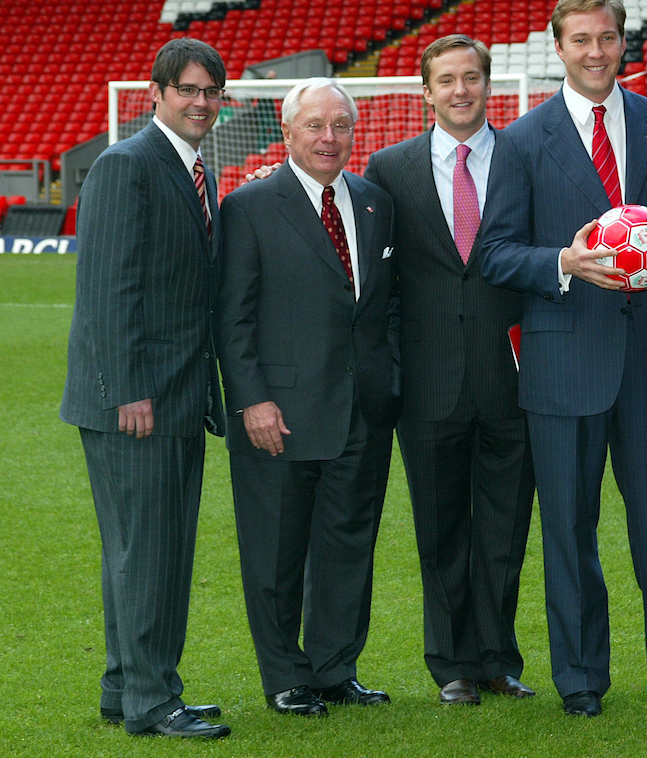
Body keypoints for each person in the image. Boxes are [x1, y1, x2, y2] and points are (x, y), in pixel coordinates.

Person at [479, 0, 647, 717]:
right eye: (580, 40)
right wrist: (564, 263)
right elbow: (495, 252)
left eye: (606, 38)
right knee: (568, 533)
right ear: (559, 47)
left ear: (624, 42)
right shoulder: (522, 139)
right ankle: (581, 677)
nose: (594, 51)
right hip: (563, 366)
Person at [60, 37, 231, 739]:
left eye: (210, 92)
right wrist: (130, 389)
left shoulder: (195, 169)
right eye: (187, 89)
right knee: (150, 551)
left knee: (138, 549)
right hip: (138, 403)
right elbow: (108, 288)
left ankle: (123, 684)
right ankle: (153, 702)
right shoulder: (126, 165)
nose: (200, 102)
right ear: (155, 94)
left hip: (176, 397)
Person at [215, 78, 400, 717]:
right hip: (280, 415)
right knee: (275, 551)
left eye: (340, 126)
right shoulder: (249, 206)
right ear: (288, 132)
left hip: (364, 409)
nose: (328, 138)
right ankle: (285, 675)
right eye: (314, 126)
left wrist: (390, 377)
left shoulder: (376, 202)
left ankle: (334, 669)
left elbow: (385, 307)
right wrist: (251, 400)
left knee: (349, 546)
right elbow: (232, 318)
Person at [362, 35, 537, 706]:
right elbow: (378, 275)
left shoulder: (525, 158)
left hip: (513, 376)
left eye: (472, 77)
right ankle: (452, 664)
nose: (461, 90)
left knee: (504, 526)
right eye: (447, 80)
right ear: (425, 92)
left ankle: (496, 657)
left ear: (487, 85)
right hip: (428, 383)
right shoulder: (389, 167)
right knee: (440, 529)